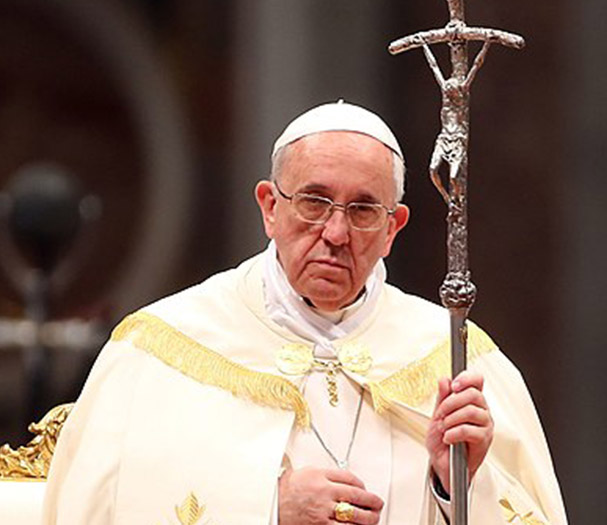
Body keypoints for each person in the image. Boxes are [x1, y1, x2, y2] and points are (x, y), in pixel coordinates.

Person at [41, 101, 567, 524]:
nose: (335, 234)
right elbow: (101, 509)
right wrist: (268, 510)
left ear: (393, 228)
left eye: (362, 210)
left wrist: (455, 487)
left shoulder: (455, 356)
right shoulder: (158, 350)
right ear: (271, 206)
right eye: (313, 203)